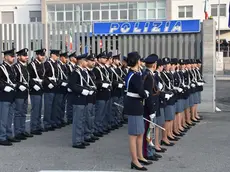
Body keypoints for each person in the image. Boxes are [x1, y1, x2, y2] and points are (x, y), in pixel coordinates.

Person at [124, 51, 152, 171]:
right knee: (133, 135)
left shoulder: (136, 73)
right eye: (139, 60)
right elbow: (140, 90)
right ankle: (134, 160)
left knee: (140, 132)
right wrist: (146, 93)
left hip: (138, 105)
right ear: (136, 61)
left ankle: (140, 156)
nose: (141, 62)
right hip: (134, 106)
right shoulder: (133, 75)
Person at [142, 54, 162, 161]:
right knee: (148, 131)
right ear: (154, 65)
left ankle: (151, 150)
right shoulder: (148, 76)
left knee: (151, 130)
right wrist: (151, 110)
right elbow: (149, 95)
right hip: (149, 108)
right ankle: (147, 152)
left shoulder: (151, 75)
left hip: (153, 106)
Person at [68, 53, 89, 149]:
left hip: (83, 99)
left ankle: (81, 139)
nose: (87, 62)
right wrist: (82, 90)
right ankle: (76, 141)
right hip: (78, 99)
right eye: (86, 61)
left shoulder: (83, 72)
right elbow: (71, 85)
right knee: (78, 121)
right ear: (81, 62)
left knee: (83, 120)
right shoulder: (75, 72)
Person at [13, 48, 33, 140]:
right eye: (24, 56)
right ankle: (17, 132)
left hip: (25, 92)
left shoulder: (25, 66)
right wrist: (18, 86)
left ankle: (22, 130)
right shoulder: (15, 67)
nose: (26, 57)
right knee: (18, 113)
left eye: (26, 55)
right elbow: (13, 80)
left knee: (24, 112)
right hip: (18, 93)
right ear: (19, 57)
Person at [0, 48, 17, 146]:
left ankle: (8, 135)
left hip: (11, 95)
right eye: (11, 56)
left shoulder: (11, 68)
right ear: (5, 57)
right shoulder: (1, 67)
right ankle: (2, 137)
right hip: (4, 95)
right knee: (3, 118)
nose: (13, 58)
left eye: (13, 56)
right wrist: (4, 87)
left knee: (9, 117)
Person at [28, 48, 46, 135]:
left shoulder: (41, 65)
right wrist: (33, 85)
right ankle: (33, 127)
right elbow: (28, 77)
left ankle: (38, 126)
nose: (43, 57)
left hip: (40, 88)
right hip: (35, 89)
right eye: (41, 55)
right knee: (35, 109)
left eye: (43, 55)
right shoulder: (31, 65)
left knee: (39, 109)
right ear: (37, 55)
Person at [43, 49, 60, 131]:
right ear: (52, 55)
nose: (58, 57)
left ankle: (53, 122)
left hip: (55, 87)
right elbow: (43, 75)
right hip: (49, 87)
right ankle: (47, 123)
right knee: (48, 107)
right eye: (56, 55)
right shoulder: (47, 63)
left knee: (54, 106)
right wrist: (47, 83)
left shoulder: (56, 64)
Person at [66, 51, 77, 125]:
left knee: (74, 103)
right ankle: (69, 118)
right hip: (70, 87)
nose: (76, 58)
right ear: (71, 58)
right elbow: (68, 76)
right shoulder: (68, 66)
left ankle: (73, 117)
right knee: (70, 104)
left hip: (75, 87)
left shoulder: (75, 66)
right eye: (75, 57)